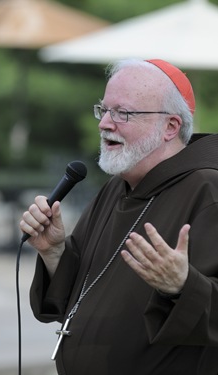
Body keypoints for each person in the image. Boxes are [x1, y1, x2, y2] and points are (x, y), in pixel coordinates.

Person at [20, 58, 218, 375]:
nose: (105, 123)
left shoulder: (209, 190)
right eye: (104, 110)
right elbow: (82, 294)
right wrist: (54, 251)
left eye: (122, 113)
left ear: (170, 127)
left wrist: (182, 287)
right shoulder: (117, 187)